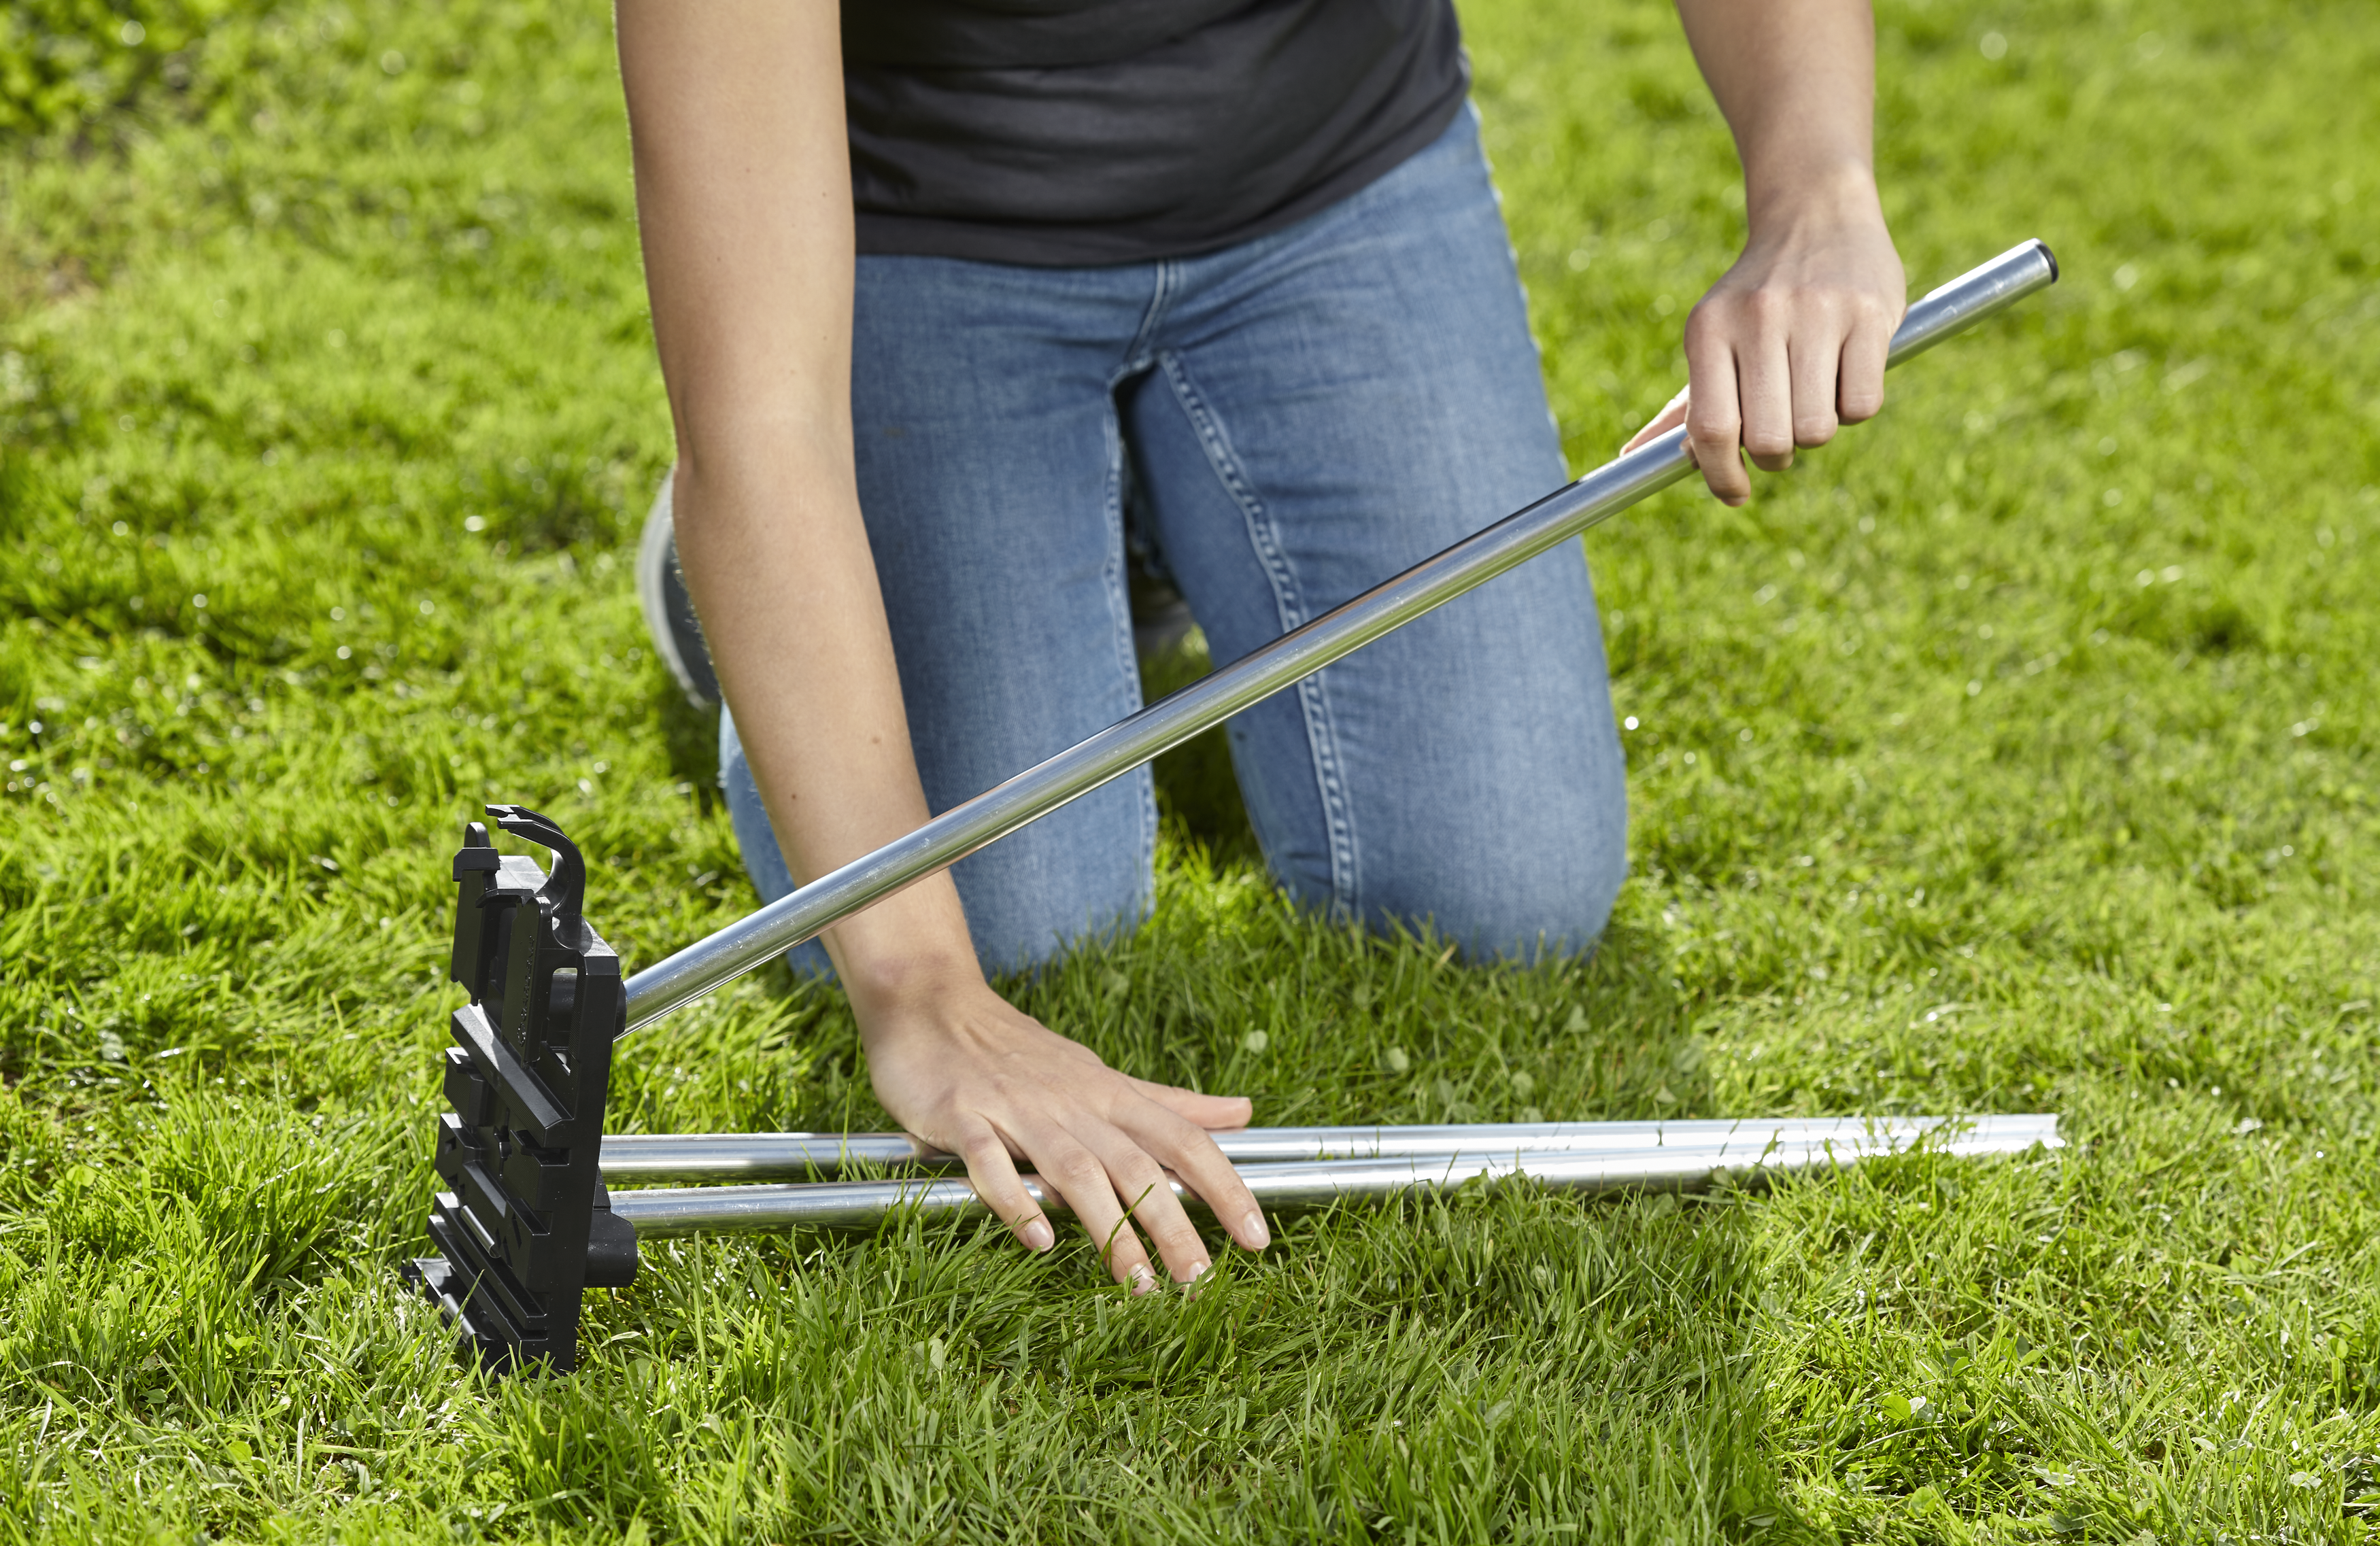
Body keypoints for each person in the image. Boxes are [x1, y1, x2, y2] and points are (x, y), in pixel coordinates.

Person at [613, 0, 1905, 1294]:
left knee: (1501, 891)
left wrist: (1814, 186)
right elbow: (761, 425)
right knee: (1009, 929)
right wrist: (918, 990)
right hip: (918, 226)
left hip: (1334, 181)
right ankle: (729, 575)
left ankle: (1134, 530)